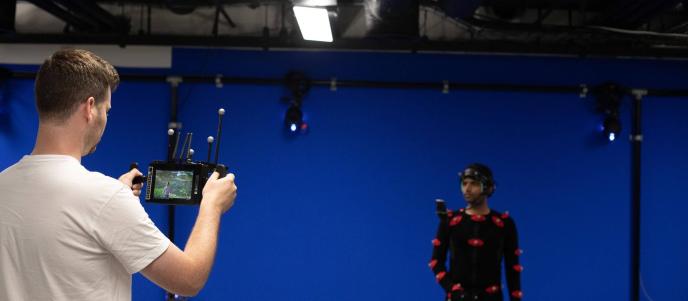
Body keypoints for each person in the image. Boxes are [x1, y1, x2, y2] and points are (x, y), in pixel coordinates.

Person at [0, 48, 238, 301]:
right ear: (90, 108)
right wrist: (211, 206)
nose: (106, 118)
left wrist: (112, 202)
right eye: (107, 110)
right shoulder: (103, 198)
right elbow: (188, 280)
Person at [429, 163, 522, 301]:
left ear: (488, 188)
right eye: (464, 183)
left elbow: (512, 268)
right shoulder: (449, 221)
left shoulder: (505, 224)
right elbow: (436, 262)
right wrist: (451, 289)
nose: (467, 189)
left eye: (474, 184)